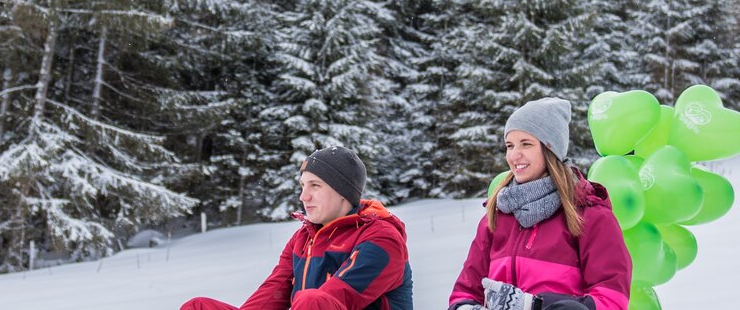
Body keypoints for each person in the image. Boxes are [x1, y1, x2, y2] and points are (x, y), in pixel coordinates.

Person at [447, 97, 631, 310]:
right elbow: (465, 291)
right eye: (509, 145)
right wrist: (466, 308)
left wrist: (533, 305)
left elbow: (611, 300)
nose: (514, 155)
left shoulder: (590, 216)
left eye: (526, 144)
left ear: (550, 149)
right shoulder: (497, 216)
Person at [181, 145, 413, 310]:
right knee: (197, 307)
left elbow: (337, 298)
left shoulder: (381, 238)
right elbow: (272, 293)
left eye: (315, 186)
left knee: (312, 301)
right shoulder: (304, 238)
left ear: (343, 191)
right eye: (302, 185)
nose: (304, 196)